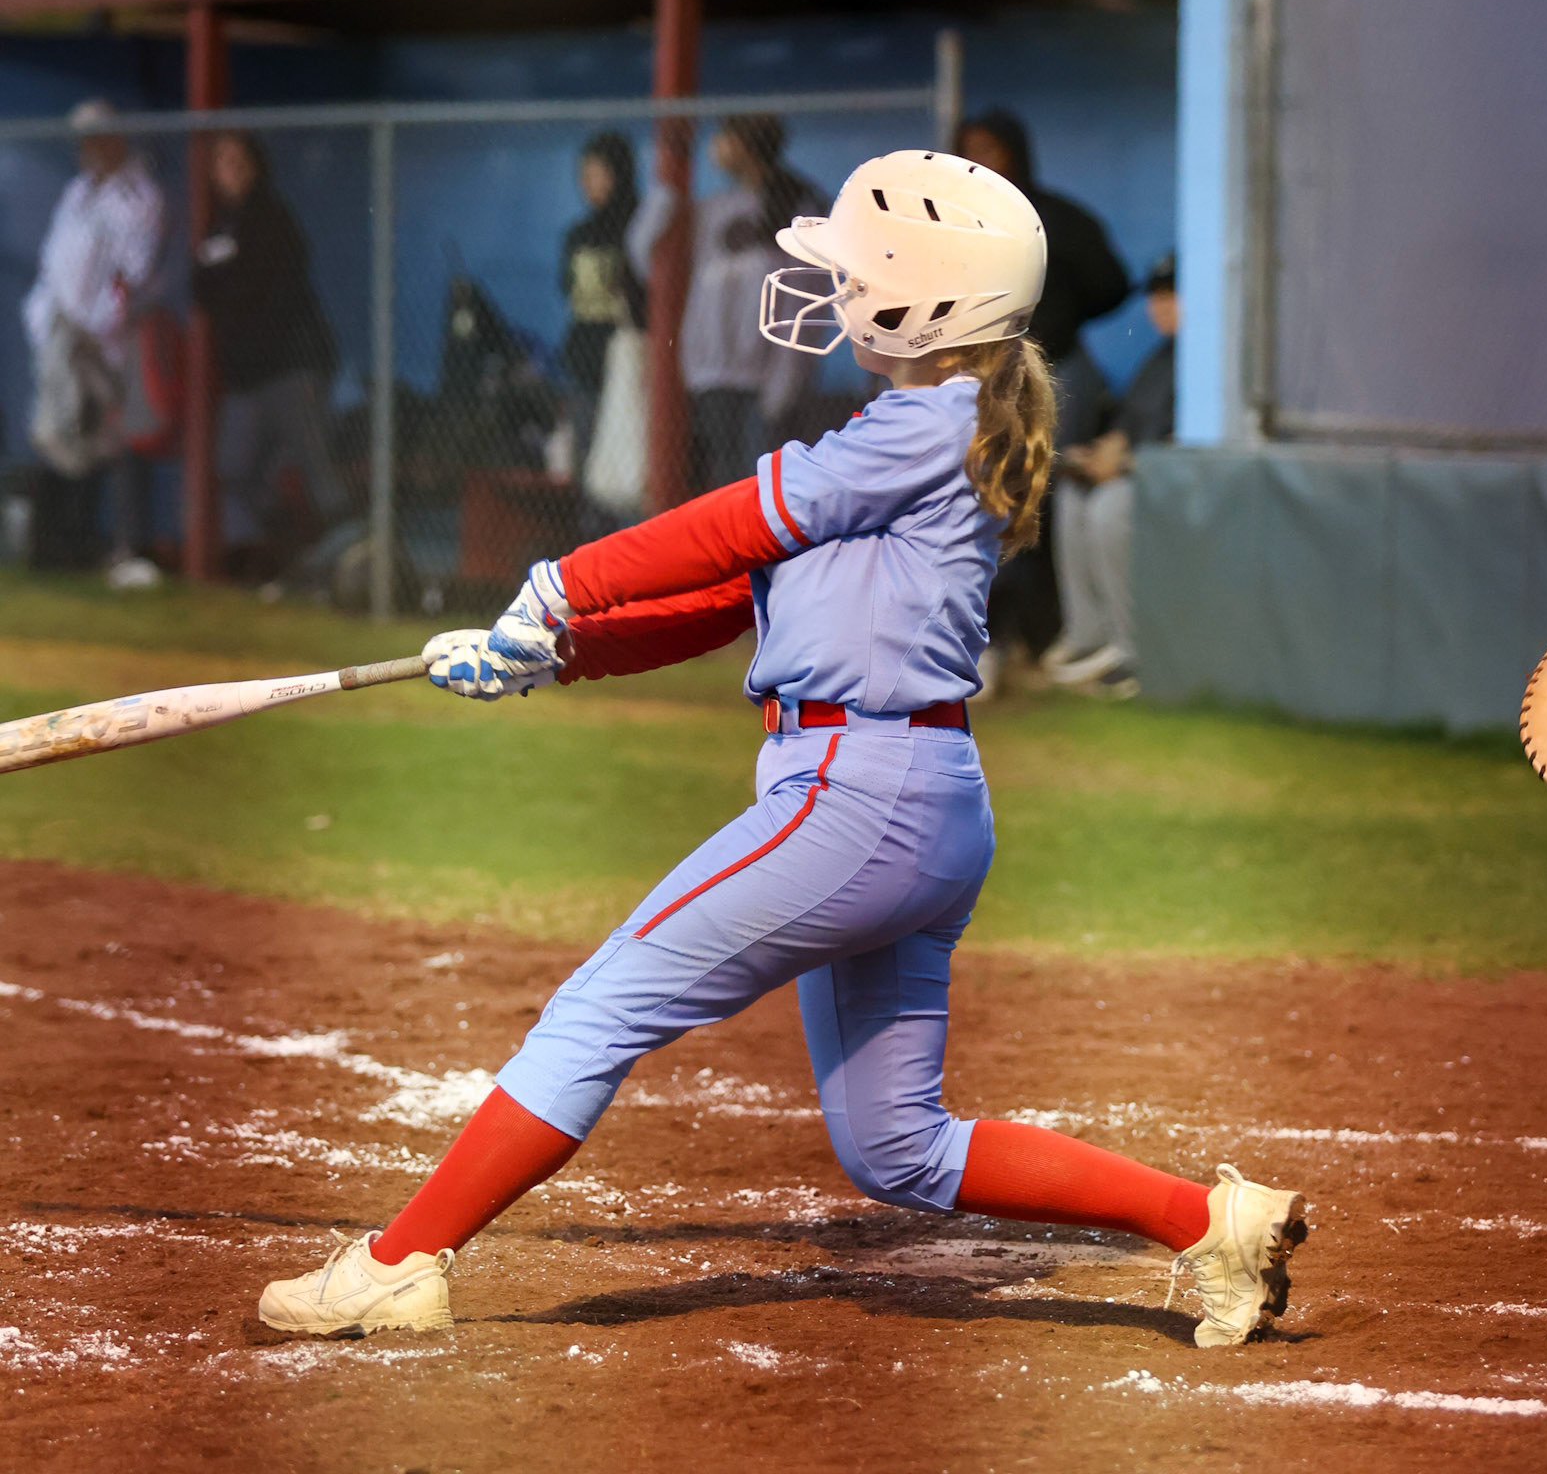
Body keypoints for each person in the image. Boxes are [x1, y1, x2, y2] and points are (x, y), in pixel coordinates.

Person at [257, 152, 1306, 1351]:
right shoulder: (920, 427)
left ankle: (400, 1263)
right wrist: (559, 651)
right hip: (918, 802)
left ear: (929, 299)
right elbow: (730, 596)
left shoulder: (927, 421)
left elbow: (728, 525)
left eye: (859, 272)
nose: (834, 287)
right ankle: (1215, 1223)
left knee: (601, 1005)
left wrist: (561, 581)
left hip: (854, 797)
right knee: (896, 1144)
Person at [955, 109, 1129, 689]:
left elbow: (1113, 281)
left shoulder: (1051, 217)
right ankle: (999, 638)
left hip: (1055, 374)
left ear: (1016, 153)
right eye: (969, 149)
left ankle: (1049, 636)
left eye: (991, 149)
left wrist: (1056, 322)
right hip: (982, 377)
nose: (981, 161)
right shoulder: (955, 223)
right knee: (990, 502)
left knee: (1040, 503)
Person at [629, 114, 823, 494]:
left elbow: (808, 296)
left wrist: (786, 379)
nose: (714, 146)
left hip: (766, 378)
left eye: (723, 136)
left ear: (745, 143)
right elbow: (641, 256)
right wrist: (664, 195)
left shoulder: (795, 205)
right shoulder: (711, 208)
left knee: (767, 493)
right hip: (712, 373)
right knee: (727, 494)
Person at [23, 98, 166, 584]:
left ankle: (124, 547)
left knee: (114, 438)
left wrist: (98, 326)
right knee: (60, 436)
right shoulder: (77, 191)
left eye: (98, 137)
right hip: (61, 335)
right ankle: (59, 546)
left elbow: (133, 274)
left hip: (105, 340)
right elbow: (53, 264)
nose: (90, 147)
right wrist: (44, 321)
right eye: (85, 139)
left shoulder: (138, 196)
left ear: (116, 138)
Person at [191, 133, 343, 582]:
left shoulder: (273, 219)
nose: (231, 169)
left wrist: (230, 282)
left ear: (255, 166)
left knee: (321, 474)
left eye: (239, 160)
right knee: (234, 468)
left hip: (293, 369)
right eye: (222, 162)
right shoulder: (220, 227)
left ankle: (360, 570)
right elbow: (200, 289)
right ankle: (298, 551)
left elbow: (267, 290)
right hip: (248, 377)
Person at [1045, 253, 1179, 701]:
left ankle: (1129, 647)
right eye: (1157, 296)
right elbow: (1128, 423)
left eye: (1172, 295)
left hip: (1167, 487)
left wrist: (1122, 463)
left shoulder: (1207, 357)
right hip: (1136, 475)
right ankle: (1089, 634)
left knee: (1108, 504)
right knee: (1072, 492)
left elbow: (1188, 446)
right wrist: (1103, 451)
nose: (1160, 306)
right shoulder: (1161, 355)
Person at [558, 131, 646, 523]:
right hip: (586, 359)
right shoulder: (578, 234)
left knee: (629, 464)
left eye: (596, 173)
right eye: (584, 175)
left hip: (628, 362)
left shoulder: (638, 229)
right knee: (587, 463)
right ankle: (591, 553)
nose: (588, 184)